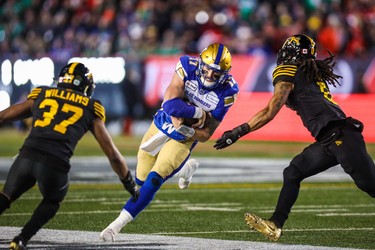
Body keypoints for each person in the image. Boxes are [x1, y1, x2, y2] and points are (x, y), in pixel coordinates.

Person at [214, 34, 375, 241]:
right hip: (330, 138)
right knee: (293, 172)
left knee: (370, 185)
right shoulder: (308, 71)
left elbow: (271, 110)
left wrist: (238, 131)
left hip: (341, 136)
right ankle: (275, 224)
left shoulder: (287, 70)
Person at [100, 43, 239, 241]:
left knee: (154, 180)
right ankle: (184, 169)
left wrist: (188, 128)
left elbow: (207, 133)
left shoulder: (228, 91)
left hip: (186, 137)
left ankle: (115, 226)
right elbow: (170, 104)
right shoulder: (187, 65)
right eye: (207, 69)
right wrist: (197, 112)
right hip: (162, 123)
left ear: (225, 74)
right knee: (140, 179)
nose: (209, 76)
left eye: (216, 74)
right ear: (200, 63)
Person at [0, 62, 139, 249]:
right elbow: (113, 154)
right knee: (52, 200)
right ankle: (21, 238)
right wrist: (129, 184)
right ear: (85, 85)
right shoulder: (91, 106)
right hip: (55, 163)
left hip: (26, 156)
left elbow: (3, 116)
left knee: (6, 197)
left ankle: (20, 237)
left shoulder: (42, 93)